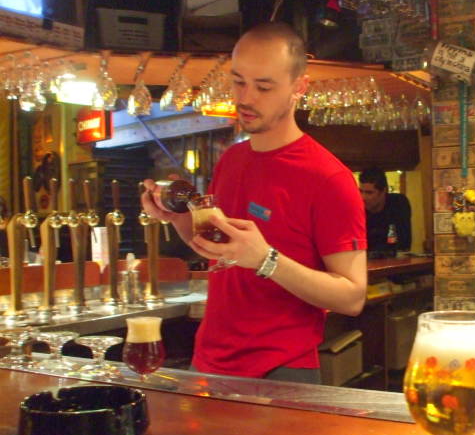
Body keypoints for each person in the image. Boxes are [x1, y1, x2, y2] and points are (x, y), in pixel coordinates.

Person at [141, 22, 367, 384]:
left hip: (281, 369)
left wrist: (266, 260)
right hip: (209, 360)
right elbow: (220, 248)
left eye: (263, 86)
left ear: (299, 88)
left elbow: (352, 296)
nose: (246, 98)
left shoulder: (329, 178)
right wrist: (173, 218)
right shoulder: (232, 159)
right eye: (238, 81)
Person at [359, 167, 412, 258]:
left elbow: (403, 243)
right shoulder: (358, 209)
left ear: (383, 191)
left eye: (369, 193)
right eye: (360, 191)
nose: (363, 197)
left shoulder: (398, 203)